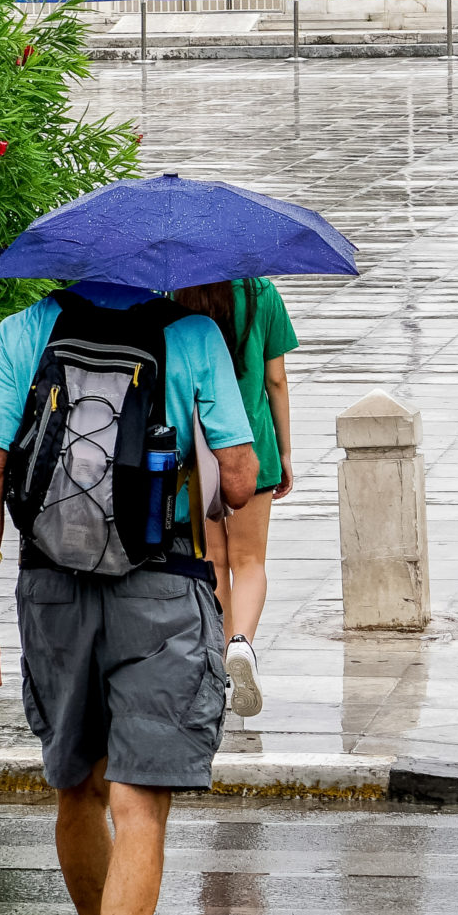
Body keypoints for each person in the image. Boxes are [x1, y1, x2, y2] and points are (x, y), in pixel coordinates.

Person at [0, 279, 257, 915]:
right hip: (162, 588)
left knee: (77, 788)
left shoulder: (25, 329)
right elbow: (238, 476)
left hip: (51, 589)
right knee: (139, 802)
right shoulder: (193, 335)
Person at [170, 277, 298, 716]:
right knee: (251, 562)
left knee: (214, 561)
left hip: (199, 448)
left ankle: (220, 662)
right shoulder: (262, 294)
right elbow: (276, 380)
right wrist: (284, 452)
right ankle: (241, 644)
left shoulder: (177, 295)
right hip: (252, 447)